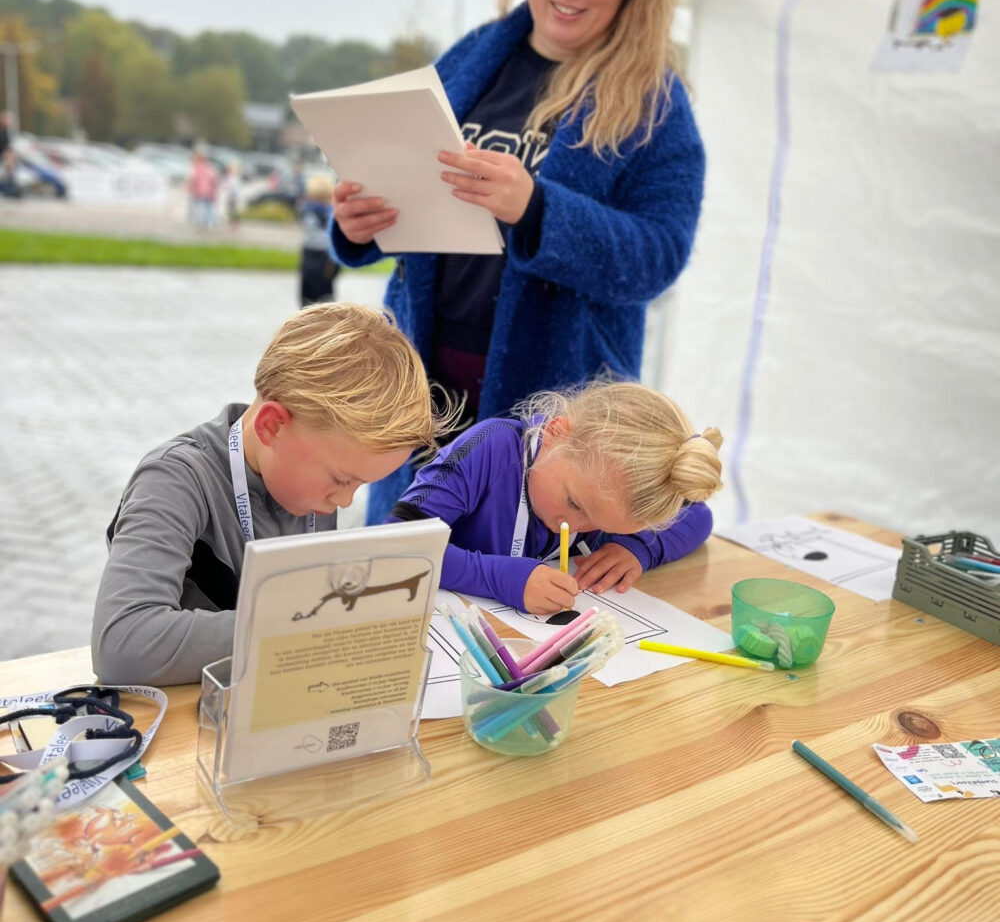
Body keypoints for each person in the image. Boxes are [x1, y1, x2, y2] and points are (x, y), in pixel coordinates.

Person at [330, 0, 705, 524]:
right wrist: (361, 225)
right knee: (407, 562)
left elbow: (658, 256)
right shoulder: (475, 55)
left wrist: (537, 209)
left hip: (556, 403)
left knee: (521, 582)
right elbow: (417, 184)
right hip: (421, 385)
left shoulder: (657, 105)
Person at [91, 303, 442, 686]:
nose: (344, 502)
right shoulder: (175, 478)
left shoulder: (306, 480)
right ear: (272, 426)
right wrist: (310, 626)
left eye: (360, 485)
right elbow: (123, 645)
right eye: (342, 480)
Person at [387, 380, 722, 614]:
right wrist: (498, 578)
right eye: (575, 503)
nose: (573, 525)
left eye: (603, 526)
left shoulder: (609, 488)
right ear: (555, 433)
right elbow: (397, 545)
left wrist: (636, 548)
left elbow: (699, 518)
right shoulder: (491, 449)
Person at [298, 175, 340, 306]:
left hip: (309, 252)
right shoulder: (332, 213)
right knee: (326, 294)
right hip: (327, 255)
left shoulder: (305, 210)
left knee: (307, 295)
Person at [186, 146, 218, 229]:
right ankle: (209, 221)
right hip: (208, 191)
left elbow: (192, 178)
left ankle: (198, 221)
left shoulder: (195, 168)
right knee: (207, 207)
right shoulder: (209, 167)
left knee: (197, 206)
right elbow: (214, 178)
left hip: (198, 190)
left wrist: (190, 187)